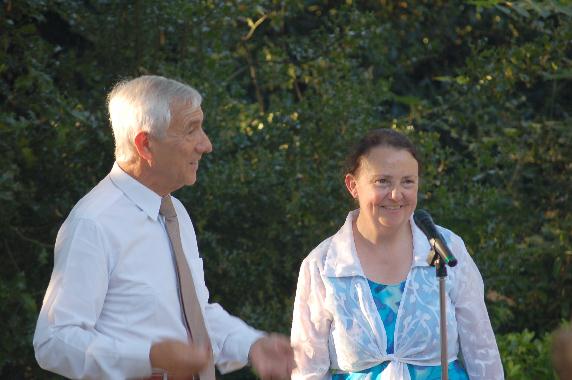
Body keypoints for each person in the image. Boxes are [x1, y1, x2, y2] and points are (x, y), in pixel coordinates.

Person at [33, 75, 295, 380]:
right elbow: (54, 341)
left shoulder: (175, 212)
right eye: (191, 130)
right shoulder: (93, 223)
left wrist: (251, 344)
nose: (206, 145)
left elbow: (192, 315)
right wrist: (148, 358)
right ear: (146, 144)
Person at [291, 129, 504, 379]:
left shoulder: (447, 247)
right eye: (382, 181)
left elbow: (482, 353)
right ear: (353, 185)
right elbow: (307, 371)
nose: (396, 194)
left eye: (407, 181)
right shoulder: (322, 265)